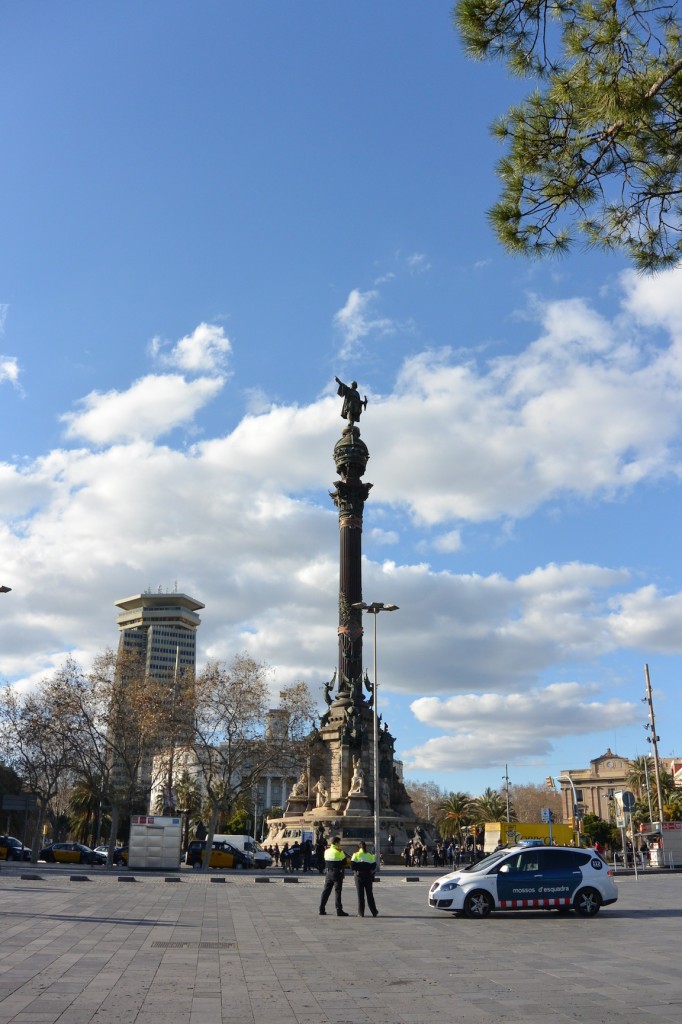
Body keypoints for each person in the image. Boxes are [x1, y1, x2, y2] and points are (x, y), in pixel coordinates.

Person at [319, 836, 349, 916]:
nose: (340, 844)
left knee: (326, 891)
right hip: (337, 873)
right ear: (336, 843)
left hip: (328, 873)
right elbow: (345, 862)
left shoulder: (326, 851)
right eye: (339, 842)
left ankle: (321, 909)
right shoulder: (339, 851)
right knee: (338, 892)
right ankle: (339, 910)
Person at [351, 840, 378, 918]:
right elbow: (373, 866)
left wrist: (356, 871)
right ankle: (374, 911)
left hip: (358, 876)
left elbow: (352, 866)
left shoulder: (355, 855)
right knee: (370, 894)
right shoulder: (369, 855)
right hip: (368, 876)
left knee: (360, 895)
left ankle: (361, 913)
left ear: (358, 847)